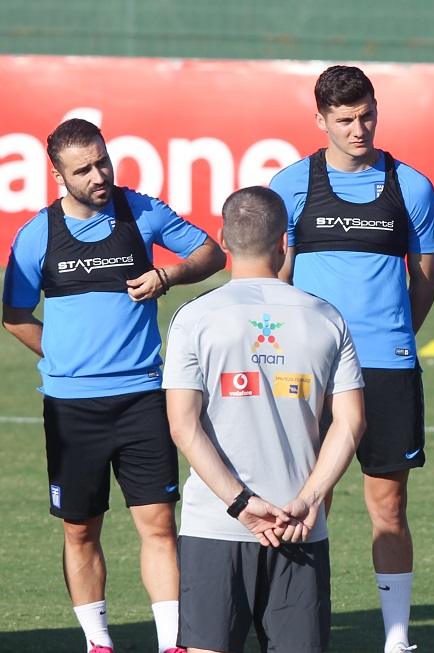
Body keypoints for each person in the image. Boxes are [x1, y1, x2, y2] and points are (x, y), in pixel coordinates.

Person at [1, 118, 226, 653]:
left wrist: (167, 276)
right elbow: (15, 314)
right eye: (83, 170)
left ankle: (172, 643)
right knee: (80, 530)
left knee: (159, 524)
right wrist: (64, 357)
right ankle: (98, 642)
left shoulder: (141, 211)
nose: (99, 175)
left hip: (143, 399)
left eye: (102, 161)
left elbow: (211, 253)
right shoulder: (36, 235)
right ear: (58, 176)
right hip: (71, 409)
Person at [269, 64, 434, 653]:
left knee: (388, 505)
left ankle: (397, 638)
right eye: (344, 120)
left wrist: (390, 339)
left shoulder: (412, 187)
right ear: (320, 120)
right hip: (311, 372)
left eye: (366, 115)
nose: (358, 129)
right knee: (306, 503)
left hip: (388, 366)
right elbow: (278, 280)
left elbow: (423, 284)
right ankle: (300, 631)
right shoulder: (290, 184)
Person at [163, 186, 365, 653]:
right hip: (299, 524)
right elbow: (351, 423)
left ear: (223, 240)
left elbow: (182, 427)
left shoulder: (193, 317)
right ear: (283, 243)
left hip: (215, 525)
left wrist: (240, 503)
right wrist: (310, 500)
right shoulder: (326, 317)